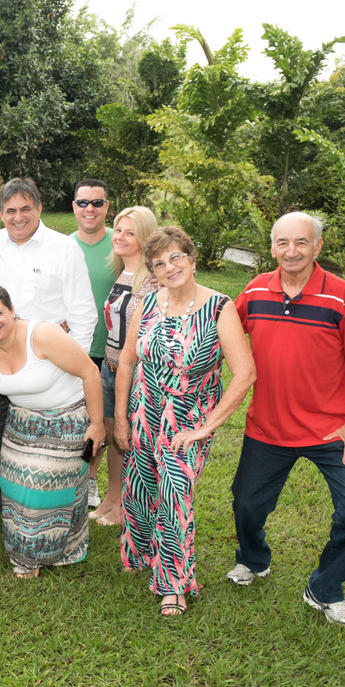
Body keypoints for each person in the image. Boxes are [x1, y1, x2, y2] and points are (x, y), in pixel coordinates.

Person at [229, 212, 345, 628]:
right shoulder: (256, 289)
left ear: (318, 247)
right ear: (272, 246)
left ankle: (325, 588)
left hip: (331, 431)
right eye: (282, 243)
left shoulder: (340, 296)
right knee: (246, 504)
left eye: (300, 242)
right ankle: (254, 560)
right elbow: (223, 330)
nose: (291, 251)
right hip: (268, 428)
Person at [113, 226, 255, 617]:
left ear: (192, 259)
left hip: (186, 419)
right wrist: (121, 418)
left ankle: (174, 584)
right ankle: (144, 555)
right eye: (159, 263)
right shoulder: (149, 303)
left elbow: (245, 373)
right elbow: (127, 359)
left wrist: (207, 426)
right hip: (144, 411)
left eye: (176, 257)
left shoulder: (219, 307)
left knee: (176, 494)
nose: (169, 267)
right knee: (141, 488)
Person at [0, 177, 96, 534]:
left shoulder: (64, 248)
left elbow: (83, 312)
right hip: (0, 362)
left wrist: (73, 364)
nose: (18, 217)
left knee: (45, 446)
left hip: (49, 365)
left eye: (26, 208)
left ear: (40, 209)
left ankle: (53, 508)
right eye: (10, 211)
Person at [0, 284, 106, 579]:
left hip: (66, 420)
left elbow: (90, 372)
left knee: (41, 488)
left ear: (12, 311)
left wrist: (97, 425)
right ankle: (35, 547)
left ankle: (33, 557)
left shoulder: (42, 334)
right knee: (13, 486)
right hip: (21, 422)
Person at [90, 205, 159, 526]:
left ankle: (129, 506)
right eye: (118, 230)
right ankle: (112, 497)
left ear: (145, 238)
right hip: (109, 367)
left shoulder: (154, 280)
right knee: (112, 436)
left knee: (130, 438)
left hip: (136, 374)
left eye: (130, 232)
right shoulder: (122, 271)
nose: (120, 237)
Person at [70, 179, 116, 510]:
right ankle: (73, 476)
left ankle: (90, 480)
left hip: (111, 350)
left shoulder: (123, 243)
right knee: (76, 418)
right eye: (83, 202)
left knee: (103, 420)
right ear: (73, 206)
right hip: (73, 349)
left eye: (97, 203)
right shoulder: (63, 246)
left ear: (107, 207)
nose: (90, 209)